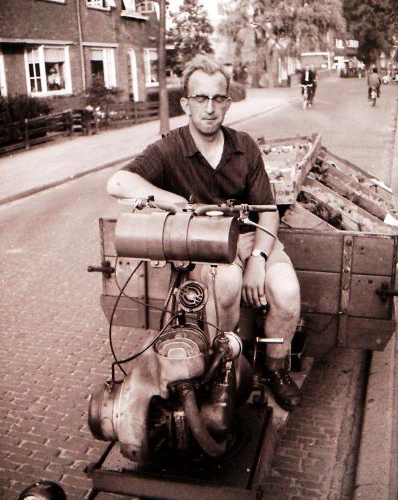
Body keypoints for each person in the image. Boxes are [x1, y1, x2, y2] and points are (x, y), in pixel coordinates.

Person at [106, 55, 302, 411]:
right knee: (226, 284)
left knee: (287, 293)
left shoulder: (244, 146)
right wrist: (175, 202)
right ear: (186, 104)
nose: (209, 108)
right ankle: (221, 371)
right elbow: (118, 182)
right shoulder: (169, 148)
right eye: (200, 98)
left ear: (227, 103)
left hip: (250, 238)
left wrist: (258, 260)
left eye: (217, 98)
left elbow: (268, 211)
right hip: (206, 246)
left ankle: (275, 367)